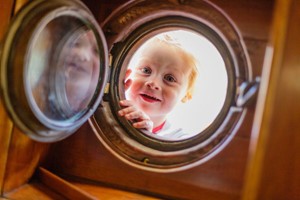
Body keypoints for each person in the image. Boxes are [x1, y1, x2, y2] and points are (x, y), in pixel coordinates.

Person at [118, 34, 198, 139]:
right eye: (146, 70)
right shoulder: (108, 109)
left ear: (187, 95)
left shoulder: (179, 140)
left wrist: (144, 137)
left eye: (169, 78)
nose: (153, 83)